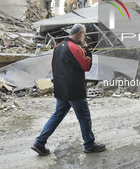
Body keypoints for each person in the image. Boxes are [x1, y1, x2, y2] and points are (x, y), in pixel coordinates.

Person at [31, 24, 106, 155]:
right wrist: (87, 49)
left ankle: (40, 142)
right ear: (79, 34)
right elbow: (86, 65)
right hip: (74, 90)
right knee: (84, 117)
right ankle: (89, 144)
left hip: (61, 89)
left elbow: (54, 66)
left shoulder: (58, 47)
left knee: (57, 115)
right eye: (84, 34)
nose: (85, 37)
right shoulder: (74, 48)